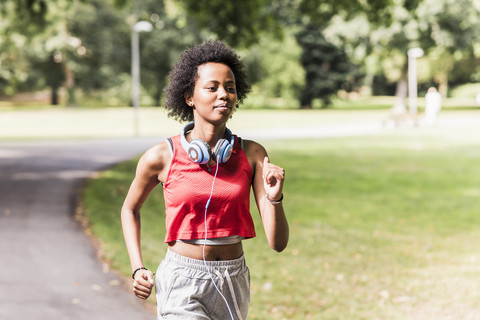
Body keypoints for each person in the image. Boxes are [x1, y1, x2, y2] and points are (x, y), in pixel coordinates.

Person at [121, 40, 289, 320]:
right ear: (189, 97)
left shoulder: (253, 154)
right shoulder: (161, 156)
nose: (223, 94)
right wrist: (138, 267)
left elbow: (278, 243)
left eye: (230, 87)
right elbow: (129, 208)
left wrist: (275, 198)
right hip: (181, 279)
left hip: (233, 281)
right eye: (212, 88)